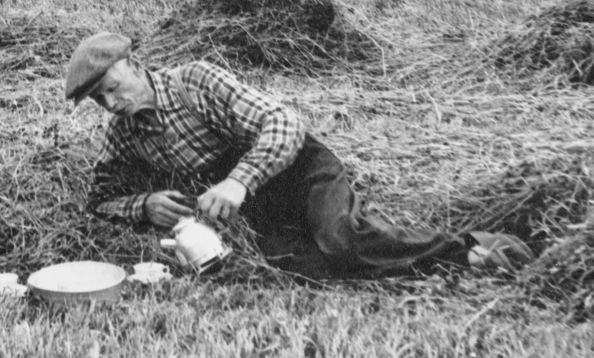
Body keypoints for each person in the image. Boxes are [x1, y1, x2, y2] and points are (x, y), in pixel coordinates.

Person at [66, 32, 534, 279]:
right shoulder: (124, 136)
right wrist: (143, 205)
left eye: (111, 88)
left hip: (302, 169)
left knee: (340, 240)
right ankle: (417, 253)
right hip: (260, 206)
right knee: (293, 266)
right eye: (100, 101)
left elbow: (284, 123)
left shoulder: (195, 80)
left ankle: (470, 249)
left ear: (134, 65)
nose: (112, 104)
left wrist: (237, 181)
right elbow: (98, 199)